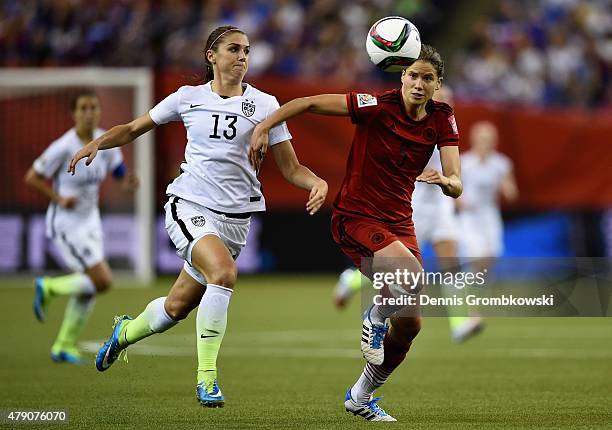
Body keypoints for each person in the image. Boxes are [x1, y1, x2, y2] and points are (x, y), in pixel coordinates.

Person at [68, 26, 327, 408]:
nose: (242, 57)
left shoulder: (266, 105)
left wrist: (316, 181)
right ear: (212, 55)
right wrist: (98, 142)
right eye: (234, 49)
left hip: (237, 220)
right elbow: (134, 128)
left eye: (247, 51)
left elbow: (291, 168)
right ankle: (207, 379)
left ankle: (123, 334)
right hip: (189, 204)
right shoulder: (187, 99)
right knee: (223, 274)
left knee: (176, 308)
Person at [251, 45, 462, 421]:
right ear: (401, 77)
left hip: (400, 222)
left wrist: (448, 183)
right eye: (412, 75)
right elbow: (310, 102)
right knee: (412, 279)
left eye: (427, 78)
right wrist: (265, 125)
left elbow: (457, 180)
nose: (418, 83)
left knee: (411, 324)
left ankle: (360, 396)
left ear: (437, 84)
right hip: (357, 217)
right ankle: (374, 315)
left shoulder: (443, 118)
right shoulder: (375, 105)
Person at [334, 87, 483, 343]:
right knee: (400, 270)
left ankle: (459, 323)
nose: (447, 106)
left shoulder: (447, 130)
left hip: (441, 209)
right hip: (411, 207)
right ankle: (353, 280)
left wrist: (452, 186)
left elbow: (454, 172)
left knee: (451, 263)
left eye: (450, 101)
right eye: (443, 100)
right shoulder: (415, 126)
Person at [26, 89, 139, 364]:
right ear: (74, 114)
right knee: (102, 280)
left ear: (99, 112)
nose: (89, 113)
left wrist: (128, 182)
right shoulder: (63, 147)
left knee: (89, 288)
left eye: (93, 108)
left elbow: (120, 172)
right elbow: (33, 177)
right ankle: (49, 286)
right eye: (83, 108)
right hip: (67, 222)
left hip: (91, 221)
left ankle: (63, 345)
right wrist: (59, 197)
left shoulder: (105, 143)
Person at [458, 121, 518, 270]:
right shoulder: (464, 162)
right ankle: (464, 286)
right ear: (474, 139)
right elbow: (453, 192)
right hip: (469, 215)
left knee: (492, 253)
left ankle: (478, 287)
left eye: (490, 139)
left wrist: (509, 191)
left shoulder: (502, 163)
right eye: (483, 139)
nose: (486, 143)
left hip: (490, 214)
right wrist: (460, 203)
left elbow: (511, 191)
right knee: (476, 254)